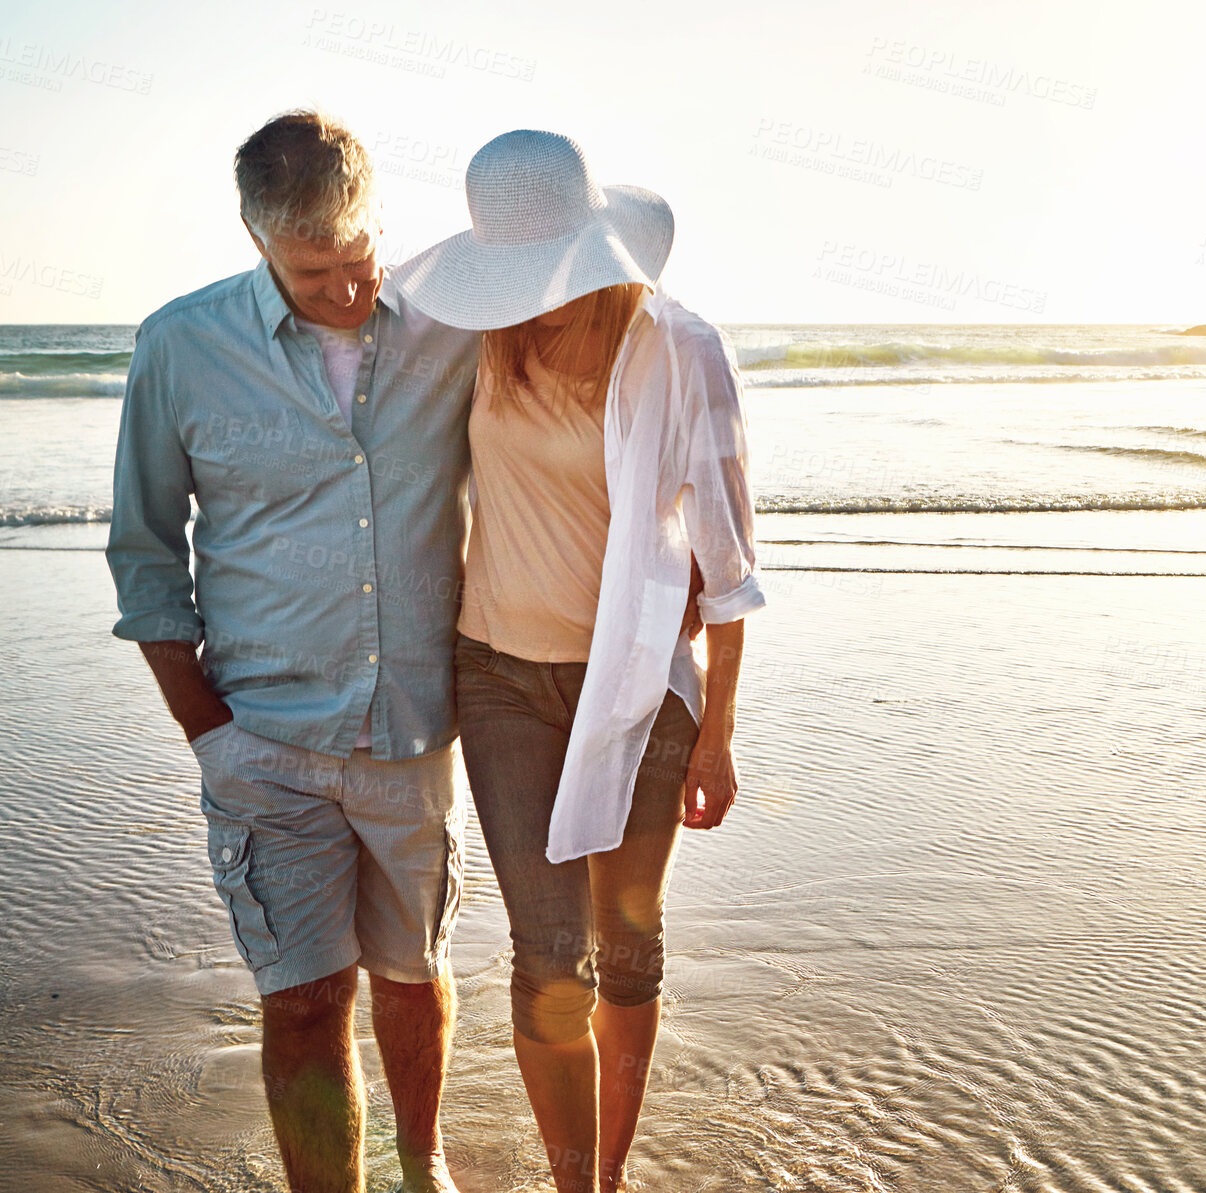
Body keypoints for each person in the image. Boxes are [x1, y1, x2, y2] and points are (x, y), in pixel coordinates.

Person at [105, 110, 479, 1193]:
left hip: (412, 731)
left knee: (414, 973)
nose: (347, 290)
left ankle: (424, 1160)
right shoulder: (179, 345)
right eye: (314, 272)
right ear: (255, 237)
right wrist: (207, 734)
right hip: (260, 738)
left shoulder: (450, 326)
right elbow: (143, 547)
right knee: (306, 996)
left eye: (358, 258)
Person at [390, 129, 766, 1193]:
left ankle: (604, 1179)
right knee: (548, 960)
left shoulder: (680, 349)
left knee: (627, 951)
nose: (530, 295)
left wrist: (721, 737)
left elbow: (731, 571)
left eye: (546, 270)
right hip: (500, 675)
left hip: (642, 690)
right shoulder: (469, 338)